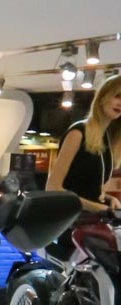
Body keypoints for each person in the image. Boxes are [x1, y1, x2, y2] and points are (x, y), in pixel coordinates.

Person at [47, 74, 121, 255]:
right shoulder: (78, 132)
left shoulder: (107, 140)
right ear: (102, 97)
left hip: (92, 224)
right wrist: (98, 207)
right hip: (71, 226)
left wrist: (108, 199)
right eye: (117, 96)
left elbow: (89, 189)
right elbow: (53, 188)